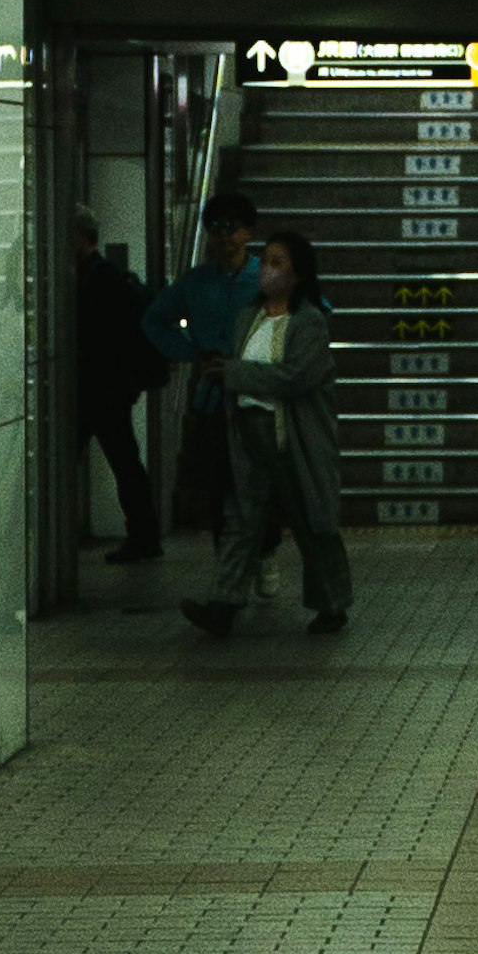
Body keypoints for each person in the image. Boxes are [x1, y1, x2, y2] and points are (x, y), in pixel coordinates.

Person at [192, 227, 349, 639]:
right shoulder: (251, 316)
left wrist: (235, 373)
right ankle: (223, 605)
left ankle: (332, 604)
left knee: (310, 519)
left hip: (292, 436)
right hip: (249, 433)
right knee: (241, 519)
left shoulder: (309, 322)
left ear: (297, 275)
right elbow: (253, 370)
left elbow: (293, 376)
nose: (266, 270)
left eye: (278, 263)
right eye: (266, 261)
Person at [143, 182, 264, 574]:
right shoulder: (195, 282)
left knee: (260, 482)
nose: (222, 236)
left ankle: (260, 555)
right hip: (212, 396)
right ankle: (229, 566)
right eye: (214, 227)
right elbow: (153, 319)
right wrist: (190, 353)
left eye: (231, 227)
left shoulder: (265, 277)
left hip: (257, 394)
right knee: (217, 484)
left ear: (248, 231)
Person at [74, 215, 161, 560]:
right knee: (126, 462)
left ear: (83, 238)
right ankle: (144, 535)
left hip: (99, 388)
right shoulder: (101, 274)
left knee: (121, 463)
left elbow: (102, 336)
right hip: (108, 388)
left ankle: (143, 535)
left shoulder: (98, 277)